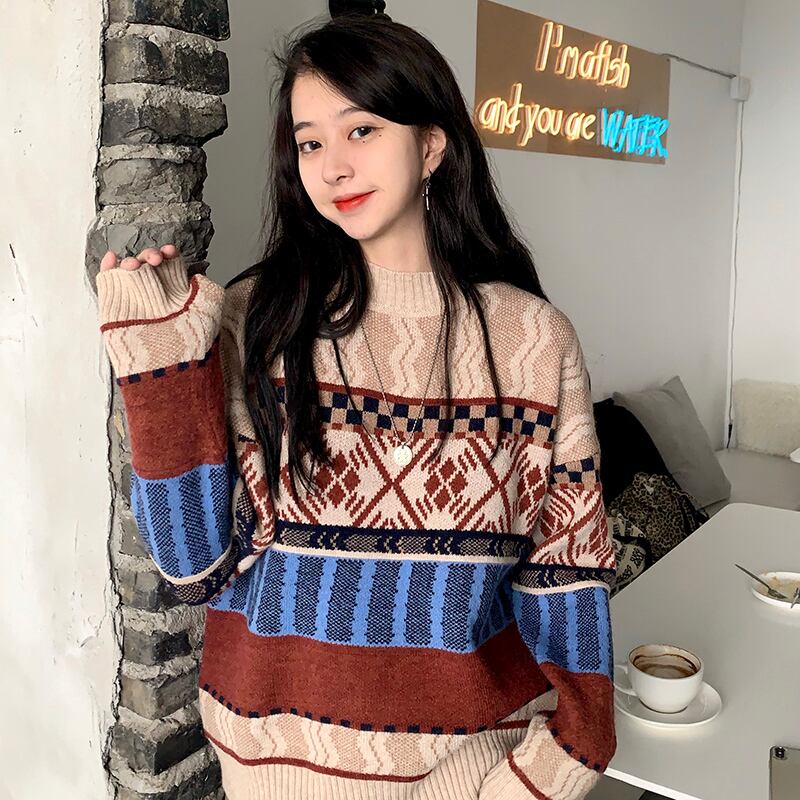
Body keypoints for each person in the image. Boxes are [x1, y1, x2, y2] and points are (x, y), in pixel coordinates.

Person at [96, 10, 616, 800]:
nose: (334, 167)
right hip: (274, 778)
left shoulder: (532, 341)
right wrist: (161, 356)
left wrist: (553, 770)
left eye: (361, 130)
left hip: (476, 772)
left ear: (432, 145)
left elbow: (566, 576)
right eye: (310, 143)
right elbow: (193, 568)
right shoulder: (257, 321)